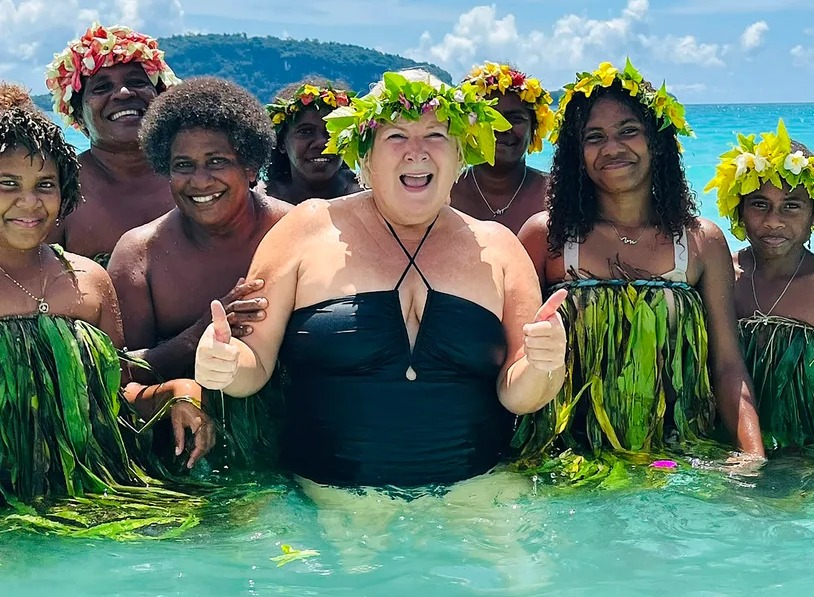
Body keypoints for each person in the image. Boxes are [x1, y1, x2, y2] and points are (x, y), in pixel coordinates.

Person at [195, 69, 567, 491]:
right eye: (396, 137)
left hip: (474, 503)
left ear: (462, 153)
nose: (416, 152)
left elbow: (520, 394)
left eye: (436, 135)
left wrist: (543, 365)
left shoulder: (499, 248)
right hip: (329, 507)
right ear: (364, 156)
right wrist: (222, 365)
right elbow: (254, 367)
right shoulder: (306, 230)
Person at [516, 59, 765, 468]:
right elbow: (515, 359)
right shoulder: (547, 237)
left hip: (679, 458)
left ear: (658, 141)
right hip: (567, 457)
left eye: (628, 131)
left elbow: (727, 364)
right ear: (576, 154)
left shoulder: (701, 241)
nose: (612, 147)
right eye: (594, 137)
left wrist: (751, 455)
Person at [0, 84, 213, 529]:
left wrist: (178, 393)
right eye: (7, 184)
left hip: (95, 494)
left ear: (66, 194)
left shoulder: (90, 281)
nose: (28, 202)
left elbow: (115, 399)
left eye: (45, 185)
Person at [108, 77, 291, 464]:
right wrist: (196, 338)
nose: (200, 180)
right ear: (164, 170)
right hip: (184, 454)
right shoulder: (141, 252)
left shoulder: (294, 231)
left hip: (292, 442)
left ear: (251, 165)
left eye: (217, 161)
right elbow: (117, 375)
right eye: (183, 166)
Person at [707, 121, 814, 448]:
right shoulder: (722, 274)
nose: (773, 221)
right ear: (737, 210)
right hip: (728, 446)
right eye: (759, 204)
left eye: (791, 206)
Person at [46, 23, 179, 265]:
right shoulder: (58, 188)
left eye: (137, 81)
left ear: (160, 98)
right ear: (77, 116)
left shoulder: (198, 174)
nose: (124, 93)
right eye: (102, 87)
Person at [450, 62, 554, 234]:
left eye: (516, 118)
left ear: (534, 128)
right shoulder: (444, 194)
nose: (503, 127)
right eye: (490, 117)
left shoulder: (557, 195)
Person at [265, 79, 360, 204]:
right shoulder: (262, 203)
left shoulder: (372, 198)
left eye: (331, 132)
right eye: (306, 132)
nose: (321, 143)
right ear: (282, 142)